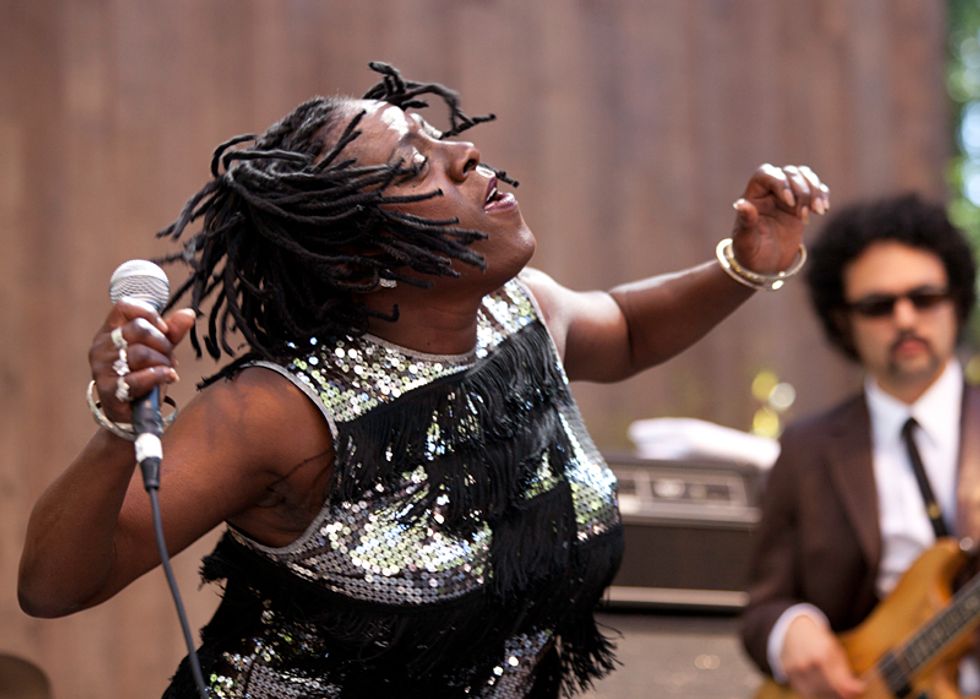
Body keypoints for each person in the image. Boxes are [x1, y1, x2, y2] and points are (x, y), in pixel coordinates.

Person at [18, 62, 828, 697]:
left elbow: (623, 328)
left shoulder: (521, 311)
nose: (465, 152)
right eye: (417, 167)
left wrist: (743, 267)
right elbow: (55, 585)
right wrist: (119, 427)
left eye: (440, 138)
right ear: (357, 256)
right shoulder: (279, 410)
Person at [740, 193, 979, 698]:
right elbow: (762, 608)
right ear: (843, 320)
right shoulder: (807, 448)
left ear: (956, 301)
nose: (906, 319)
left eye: (925, 297)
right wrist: (790, 629)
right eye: (878, 305)